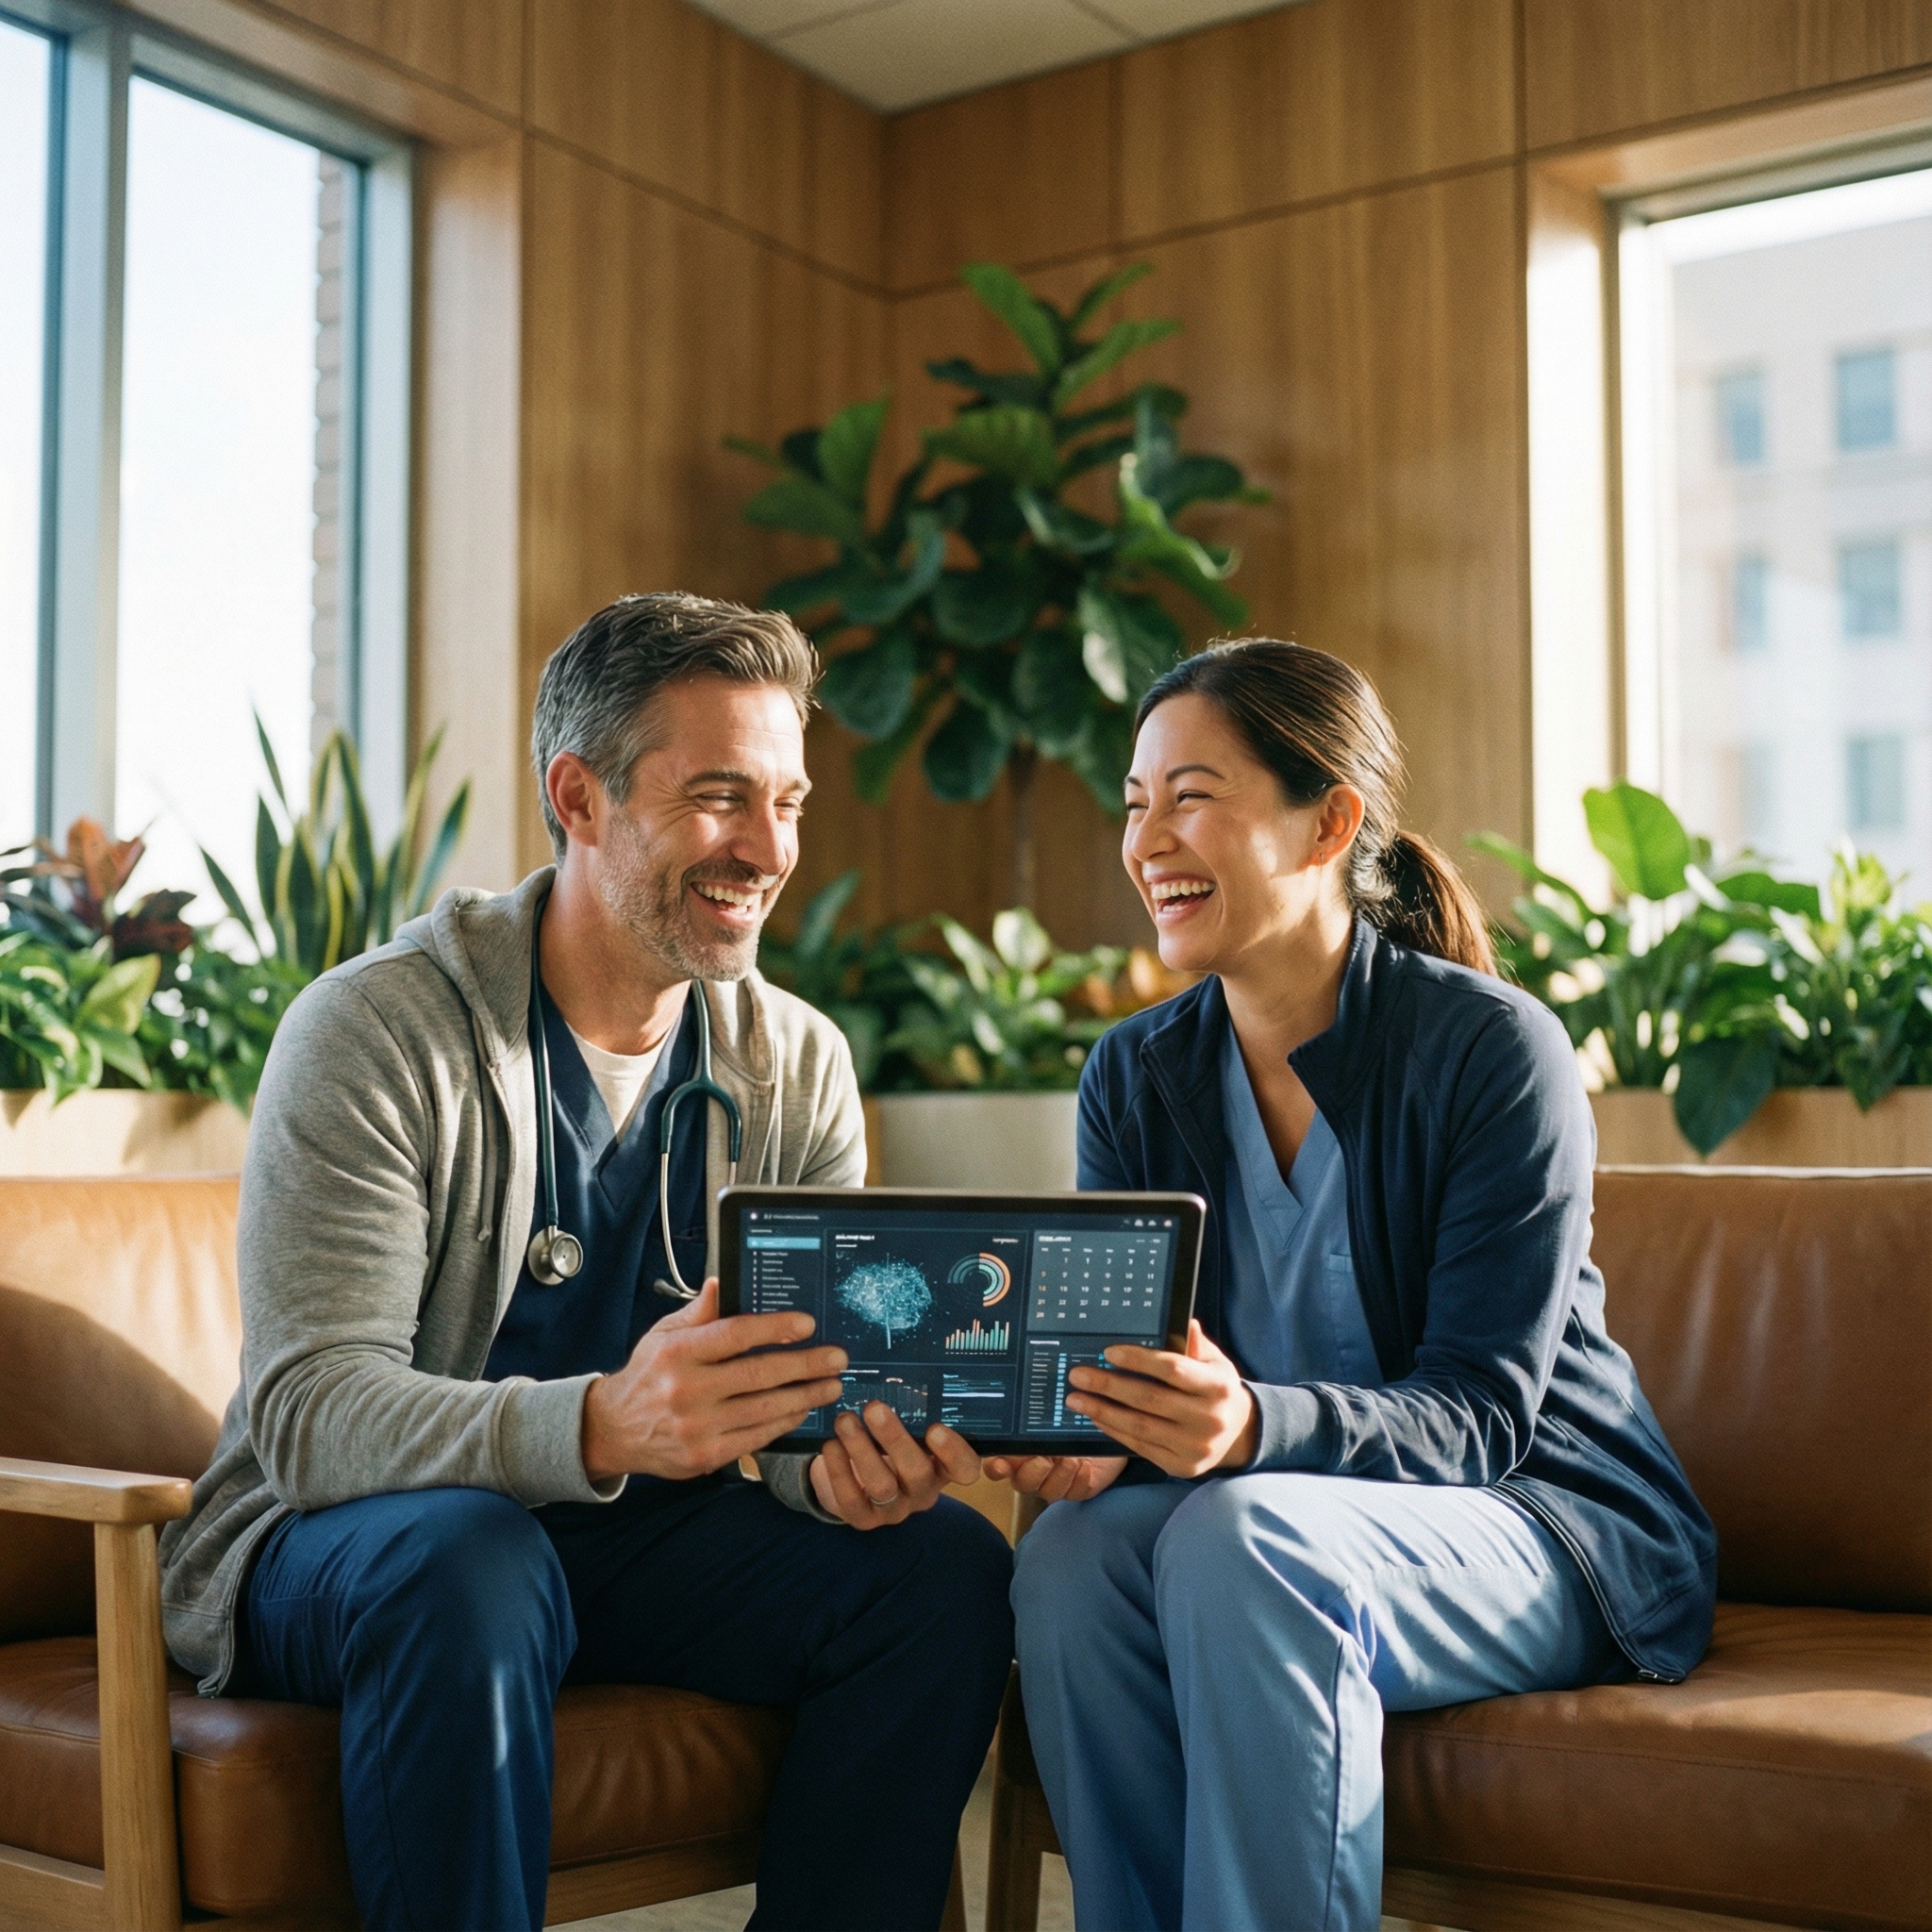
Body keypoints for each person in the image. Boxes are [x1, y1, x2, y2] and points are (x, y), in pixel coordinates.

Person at [158, 593, 1013, 1932]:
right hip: (347, 1545)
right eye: (722, 797)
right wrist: (604, 1421)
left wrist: (848, 1470)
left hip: (619, 1546)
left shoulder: (795, 1066)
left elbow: (796, 1418)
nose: (768, 848)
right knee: (474, 1563)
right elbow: (312, 1417)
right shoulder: (376, 1033)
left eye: (788, 802)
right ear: (580, 795)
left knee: (941, 1572)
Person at [986, 639, 1716, 1932]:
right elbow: (1134, 1379)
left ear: (1329, 822)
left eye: (1192, 795)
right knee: (1074, 1560)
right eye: (1135, 802)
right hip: (1278, 1519)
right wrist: (1084, 1439)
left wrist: (1252, 1427)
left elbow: (1484, 1417)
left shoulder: (1493, 1052)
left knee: (1242, 1541)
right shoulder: (1135, 1074)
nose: (1147, 837)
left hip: (1541, 1518)